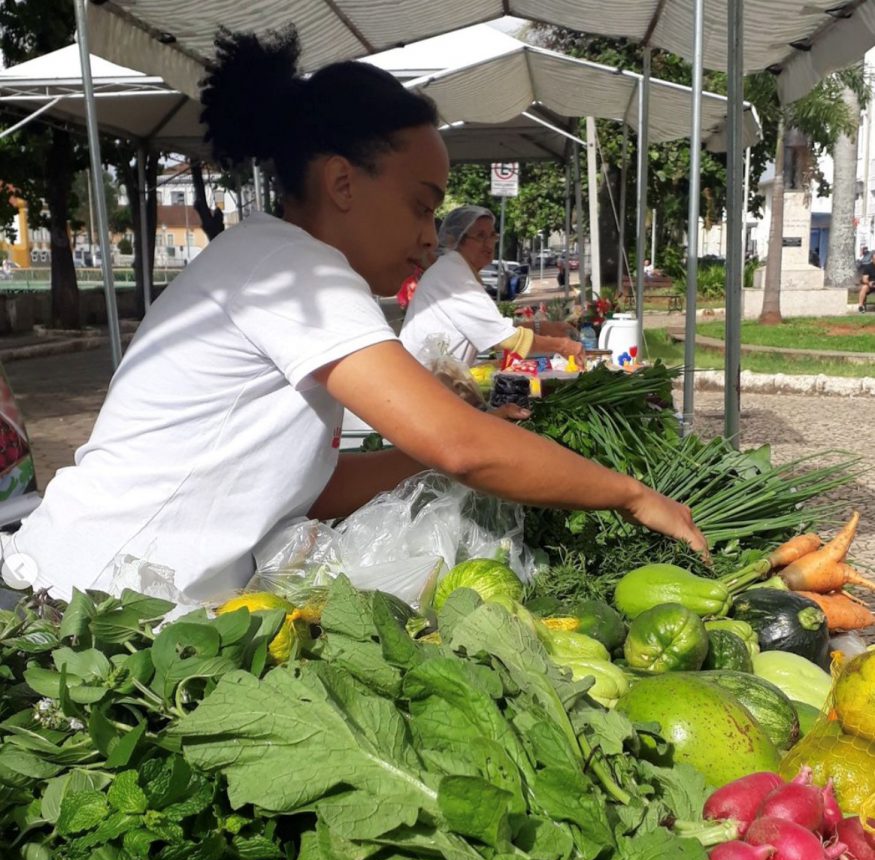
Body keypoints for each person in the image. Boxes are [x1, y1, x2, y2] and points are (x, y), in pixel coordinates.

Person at [1, 26, 706, 604]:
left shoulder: (281, 264)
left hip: (128, 604)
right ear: (341, 182)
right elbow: (458, 444)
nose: (432, 237)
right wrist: (629, 495)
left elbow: (311, 485)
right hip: (81, 606)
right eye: (421, 205)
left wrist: (440, 463)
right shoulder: (289, 269)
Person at [400, 206, 584, 368]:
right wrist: (564, 346)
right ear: (456, 240)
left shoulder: (458, 269)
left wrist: (543, 327)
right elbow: (506, 339)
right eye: (480, 236)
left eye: (492, 235)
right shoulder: (453, 273)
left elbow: (491, 328)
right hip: (422, 383)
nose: (489, 244)